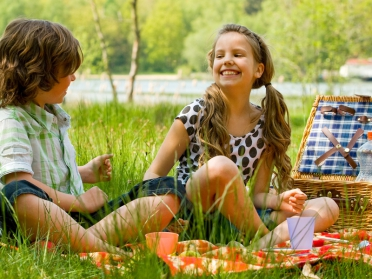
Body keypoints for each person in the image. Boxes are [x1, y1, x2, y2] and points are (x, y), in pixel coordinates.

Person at [143, 23, 340, 248]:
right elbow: (153, 175)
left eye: (237, 54)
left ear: (258, 70)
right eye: (220, 55)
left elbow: (257, 196)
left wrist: (278, 200)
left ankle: (260, 243)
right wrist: (163, 215)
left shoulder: (265, 124)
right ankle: (267, 240)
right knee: (220, 167)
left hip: (237, 220)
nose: (227, 60)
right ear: (213, 65)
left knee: (327, 207)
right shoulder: (195, 114)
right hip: (193, 216)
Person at [0, 18, 181, 253]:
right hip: (41, 220)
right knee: (17, 193)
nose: (74, 77)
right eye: (67, 70)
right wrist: (78, 202)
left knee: (168, 189)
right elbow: (18, 181)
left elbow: (50, 172)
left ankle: (74, 245)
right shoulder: (11, 119)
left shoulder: (53, 114)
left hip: (76, 220)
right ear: (39, 73)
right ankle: (104, 249)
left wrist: (83, 172)